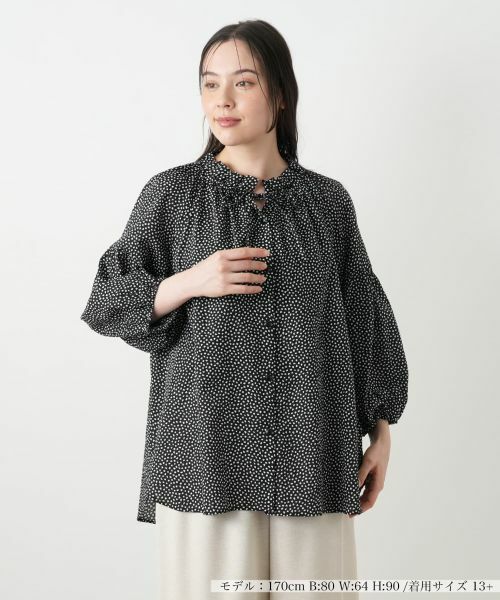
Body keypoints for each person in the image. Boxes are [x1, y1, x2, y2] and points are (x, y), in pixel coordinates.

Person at [80, 19, 409, 600]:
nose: (223, 100)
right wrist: (191, 281)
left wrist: (380, 431)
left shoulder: (327, 203)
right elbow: (106, 299)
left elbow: (366, 320)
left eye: (244, 82)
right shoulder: (172, 196)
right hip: (204, 460)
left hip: (313, 455)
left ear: (280, 94)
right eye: (210, 84)